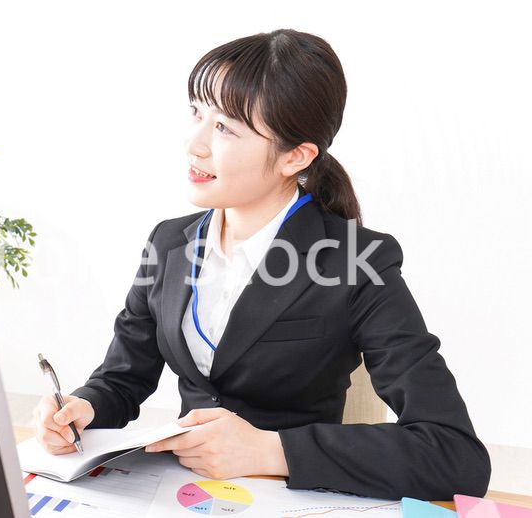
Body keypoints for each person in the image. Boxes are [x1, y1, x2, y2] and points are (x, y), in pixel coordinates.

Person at [32, 29, 491, 501]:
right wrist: (83, 407)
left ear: (296, 156)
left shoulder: (358, 262)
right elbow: (124, 377)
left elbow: (455, 454)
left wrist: (270, 451)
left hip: (291, 499)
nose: (195, 144)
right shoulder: (168, 241)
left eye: (226, 128)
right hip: (176, 491)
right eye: (197, 113)